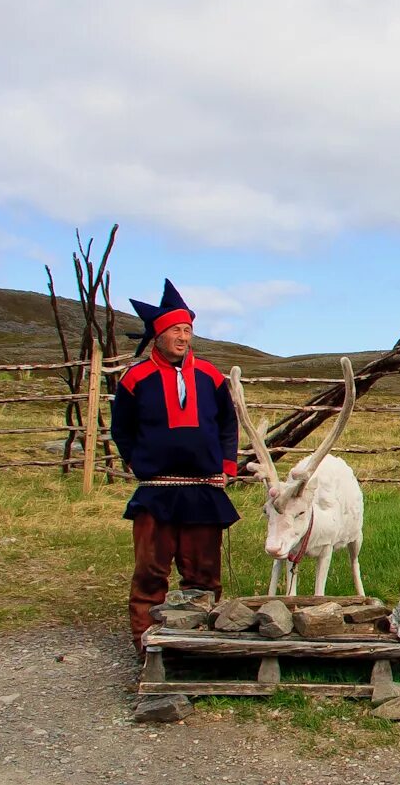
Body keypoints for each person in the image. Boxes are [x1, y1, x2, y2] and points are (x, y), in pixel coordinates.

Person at [111, 279, 240, 652]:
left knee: (203, 574)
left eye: (187, 330)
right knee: (150, 571)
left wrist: (227, 466)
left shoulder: (210, 376)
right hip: (157, 490)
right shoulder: (136, 379)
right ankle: (147, 644)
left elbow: (228, 424)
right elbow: (122, 427)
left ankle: (199, 644)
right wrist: (138, 462)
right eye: (175, 330)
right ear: (158, 335)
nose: (183, 338)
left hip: (203, 487)